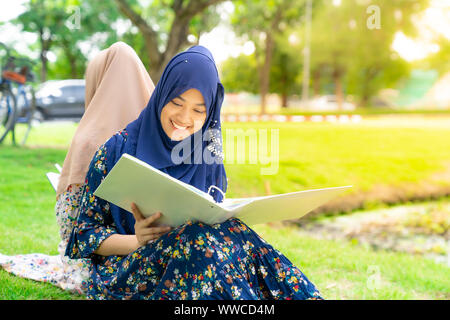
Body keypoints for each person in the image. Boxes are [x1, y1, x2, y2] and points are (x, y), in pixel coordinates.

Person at [65, 43, 323, 300]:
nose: (185, 117)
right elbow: (84, 234)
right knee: (198, 240)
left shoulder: (207, 153)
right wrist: (137, 239)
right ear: (162, 94)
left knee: (245, 241)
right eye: (176, 102)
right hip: (130, 269)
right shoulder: (116, 150)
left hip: (198, 259)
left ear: (210, 111)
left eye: (198, 110)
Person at [0, 42, 155, 294]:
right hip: (156, 255)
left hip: (99, 258)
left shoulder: (90, 139)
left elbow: (71, 225)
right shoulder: (159, 136)